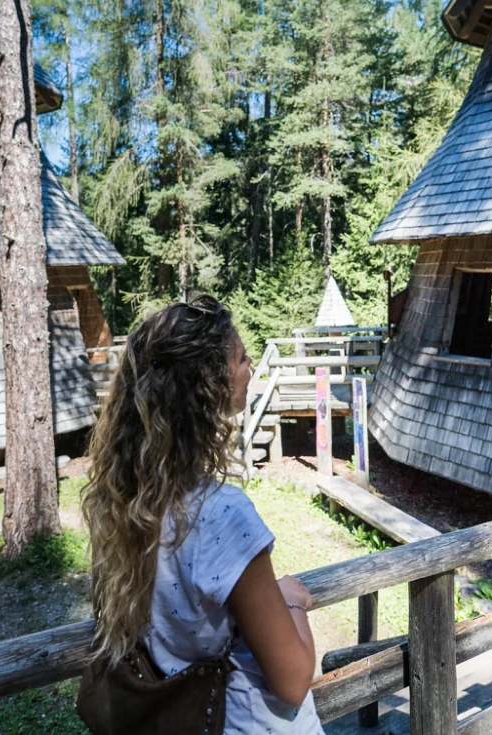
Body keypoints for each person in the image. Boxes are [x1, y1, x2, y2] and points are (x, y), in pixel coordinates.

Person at [82, 296, 324, 734]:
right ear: (210, 386)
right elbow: (292, 680)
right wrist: (292, 599)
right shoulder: (221, 514)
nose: (250, 366)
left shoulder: (123, 504)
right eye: (241, 358)